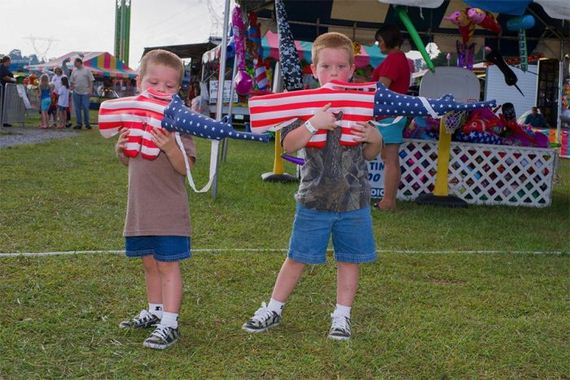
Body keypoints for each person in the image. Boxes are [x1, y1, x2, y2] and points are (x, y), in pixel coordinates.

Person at [242, 32, 382, 341]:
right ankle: (274, 308)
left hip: (353, 201)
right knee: (298, 256)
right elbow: (289, 145)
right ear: (314, 70)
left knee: (350, 259)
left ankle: (342, 316)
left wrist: (374, 137)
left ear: (352, 68)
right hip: (314, 198)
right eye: (327, 67)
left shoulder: (361, 104)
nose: (334, 73)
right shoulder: (304, 103)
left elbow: (371, 153)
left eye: (341, 66)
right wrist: (313, 123)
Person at [114, 49, 197, 350]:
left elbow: (185, 167)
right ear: (139, 82)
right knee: (149, 264)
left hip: (168, 213)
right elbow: (128, 161)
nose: (161, 90)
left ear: (178, 89)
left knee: (167, 265)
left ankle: (170, 324)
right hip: (140, 211)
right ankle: (155, 310)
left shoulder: (179, 121)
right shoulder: (134, 118)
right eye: (154, 83)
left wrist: (171, 147)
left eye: (169, 86)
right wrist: (122, 149)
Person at [371, 25, 412, 211]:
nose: (378, 44)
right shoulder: (399, 59)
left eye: (379, 40)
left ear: (388, 40)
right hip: (394, 114)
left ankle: (388, 201)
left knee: (389, 158)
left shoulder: (394, 59)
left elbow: (382, 87)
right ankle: (389, 201)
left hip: (389, 115)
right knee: (390, 158)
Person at [69, 57, 94, 129]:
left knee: (86, 107)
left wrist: (90, 90)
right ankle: (79, 124)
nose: (74, 64)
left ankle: (87, 123)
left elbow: (91, 80)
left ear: (79, 62)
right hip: (76, 92)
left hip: (85, 92)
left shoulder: (87, 70)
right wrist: (71, 87)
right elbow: (71, 81)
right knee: (77, 108)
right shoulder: (74, 71)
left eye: (75, 63)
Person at [0, 56, 17, 127]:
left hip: (6, 89)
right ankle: (3, 122)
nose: (10, 63)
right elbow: (3, 76)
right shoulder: (2, 67)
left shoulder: (5, 68)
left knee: (5, 105)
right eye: (9, 62)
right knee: (2, 105)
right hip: (3, 89)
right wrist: (12, 79)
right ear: (6, 61)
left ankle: (5, 121)